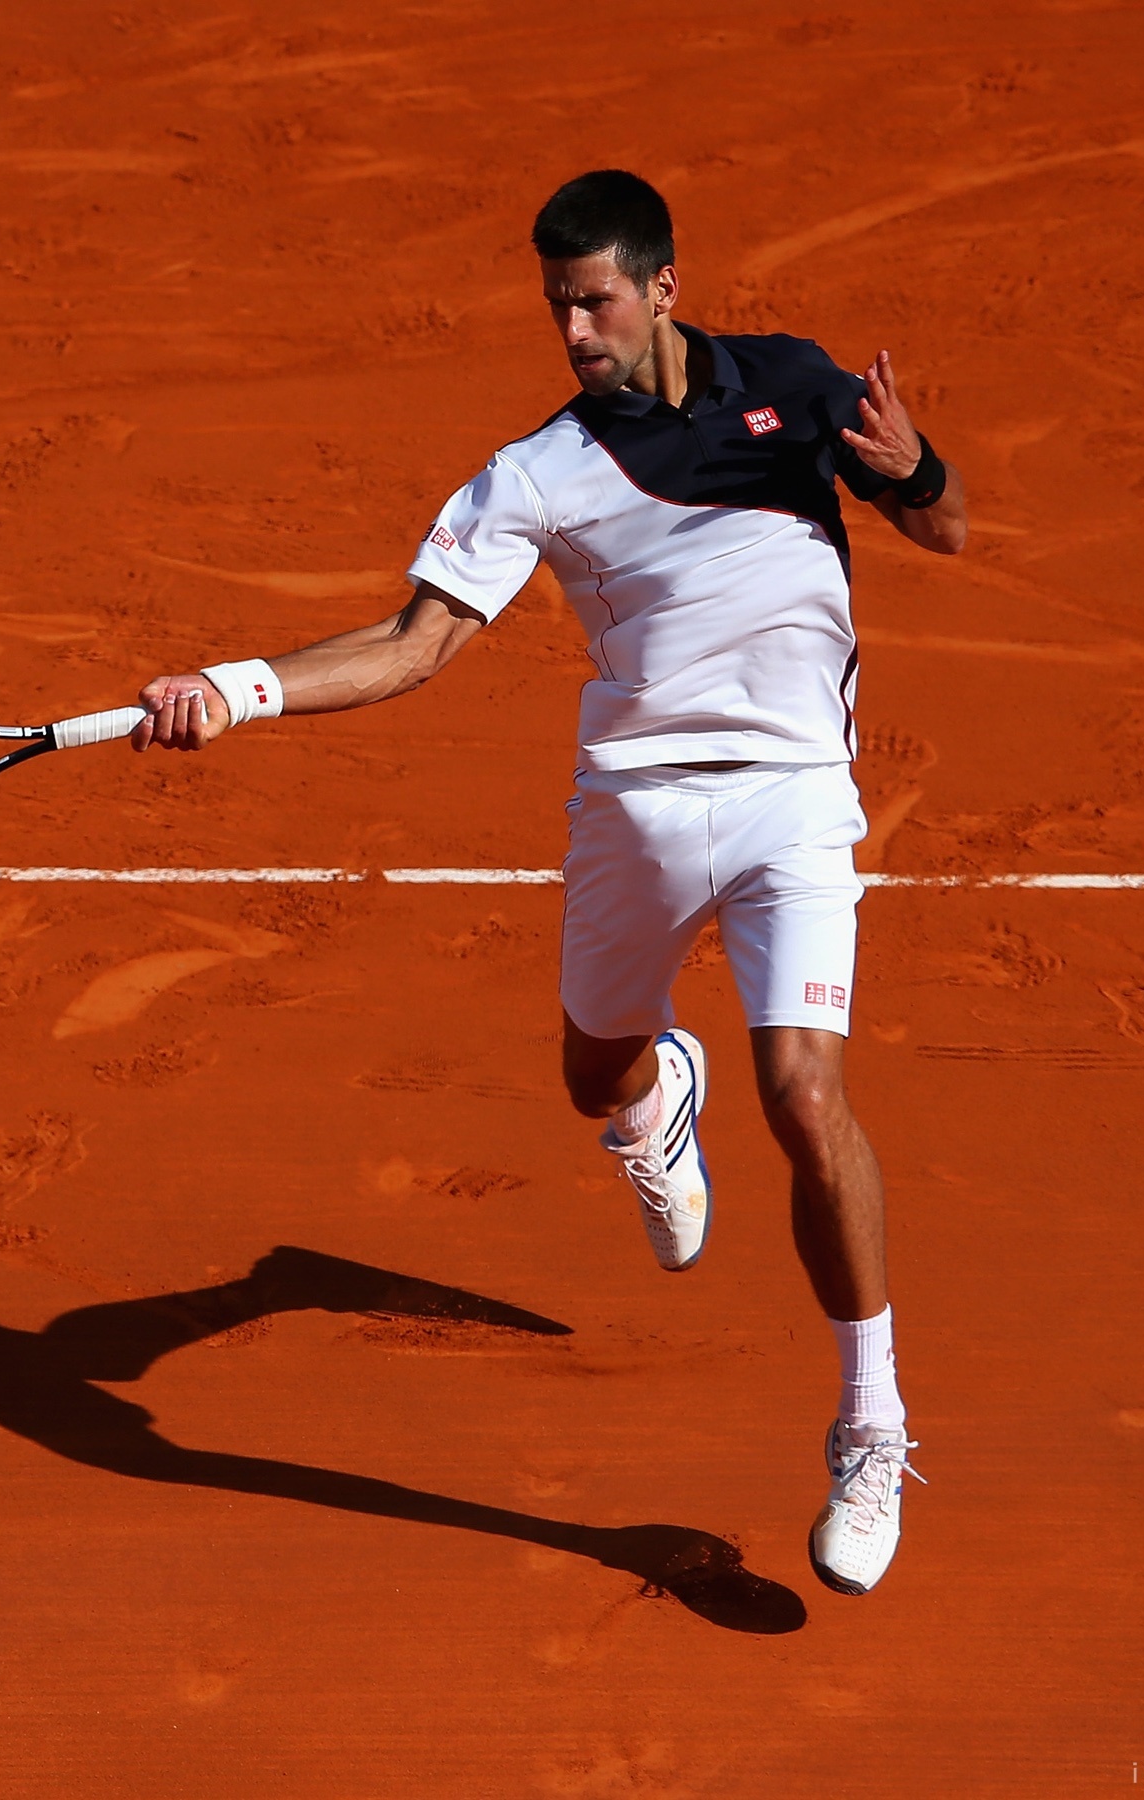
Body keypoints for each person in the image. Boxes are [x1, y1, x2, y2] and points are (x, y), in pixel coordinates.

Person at [129, 169, 966, 1596]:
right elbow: (411, 644)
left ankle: (872, 1424)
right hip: (635, 811)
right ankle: (655, 1104)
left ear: (662, 287)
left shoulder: (799, 390)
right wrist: (237, 684)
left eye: (595, 301)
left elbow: (944, 533)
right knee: (593, 1073)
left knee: (807, 1095)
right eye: (556, 307)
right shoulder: (538, 473)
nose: (574, 331)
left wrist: (915, 475)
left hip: (790, 805)